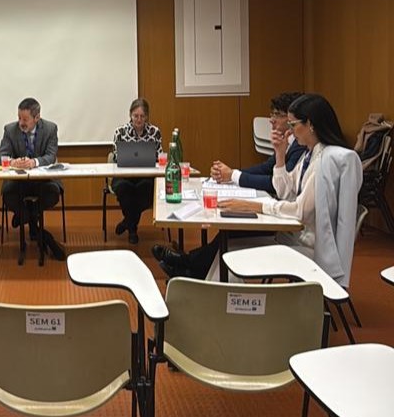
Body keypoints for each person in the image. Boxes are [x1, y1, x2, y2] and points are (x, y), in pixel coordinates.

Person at [154, 93, 361, 285]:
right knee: (227, 247)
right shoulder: (311, 154)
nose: (289, 131)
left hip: (305, 245)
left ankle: (199, 286)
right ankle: (197, 283)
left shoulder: (324, 160)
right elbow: (285, 190)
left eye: (293, 124)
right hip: (292, 234)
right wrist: (280, 154)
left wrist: (253, 206)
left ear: (311, 125)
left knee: (230, 248)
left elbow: (300, 211)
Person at [0, 97, 64, 258]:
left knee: (52, 193)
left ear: (37, 117)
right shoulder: (10, 130)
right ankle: (41, 234)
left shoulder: (50, 129)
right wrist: (13, 162)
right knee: (8, 193)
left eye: (25, 119)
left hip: (43, 180)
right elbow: (1, 156)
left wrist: (34, 162)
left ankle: (24, 217)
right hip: (19, 181)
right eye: (19, 118)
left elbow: (51, 156)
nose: (21, 123)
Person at [210, 92, 306, 195]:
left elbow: (278, 184)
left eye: (278, 115)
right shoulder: (287, 140)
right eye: (272, 114)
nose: (271, 120)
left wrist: (233, 175)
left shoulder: (301, 144)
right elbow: (266, 168)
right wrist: (228, 172)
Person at [111, 98, 162, 244]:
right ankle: (132, 229)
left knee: (146, 188)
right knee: (123, 188)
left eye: (142, 116)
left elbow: (159, 155)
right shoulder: (120, 132)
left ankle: (128, 222)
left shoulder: (155, 132)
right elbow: (115, 156)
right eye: (135, 116)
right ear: (130, 115)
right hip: (124, 175)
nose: (139, 119)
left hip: (146, 176)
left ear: (147, 117)